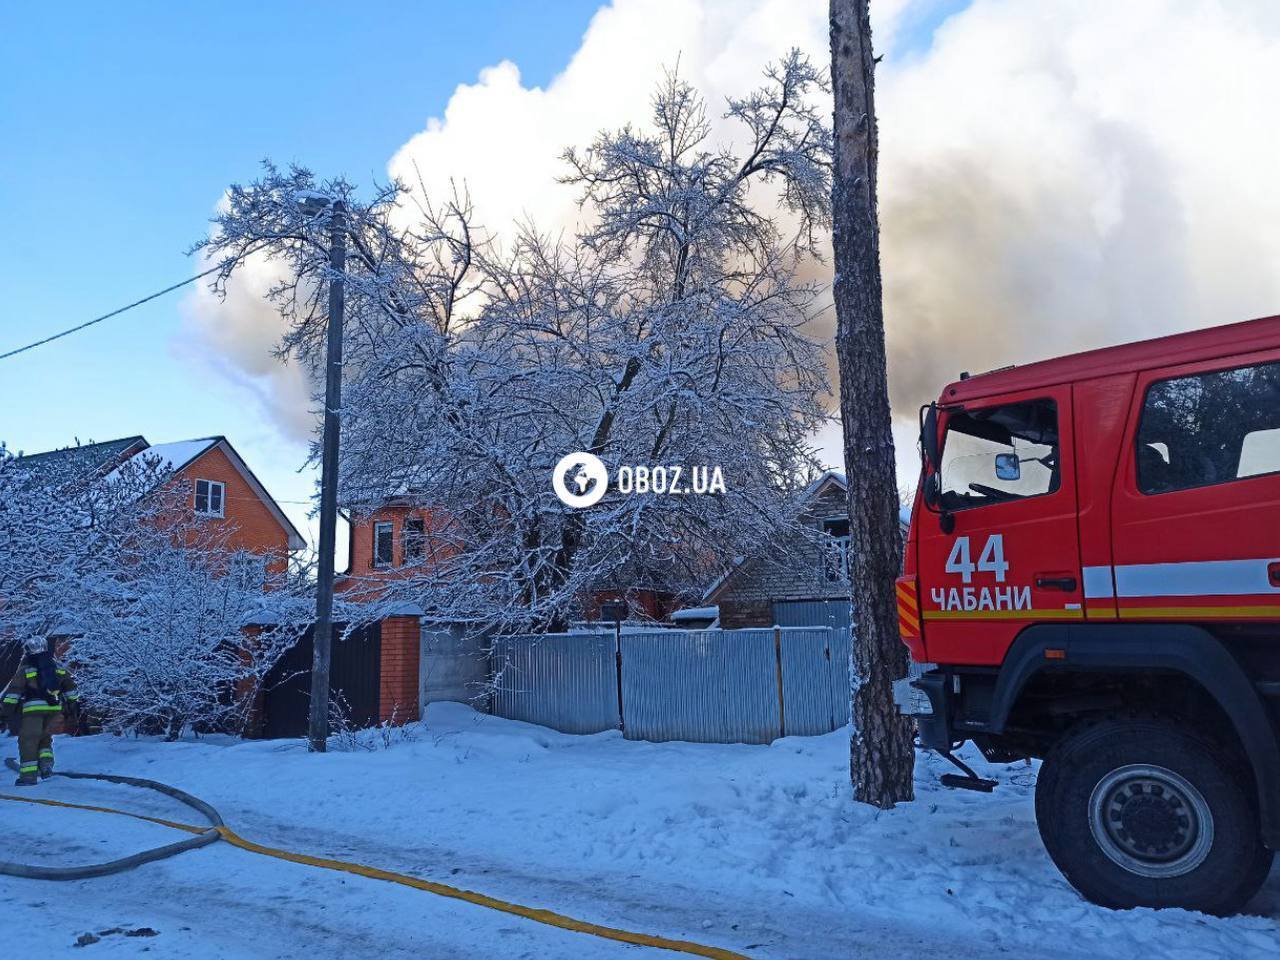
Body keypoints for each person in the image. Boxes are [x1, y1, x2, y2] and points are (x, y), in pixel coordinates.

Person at [2, 637, 79, 786]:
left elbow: (13, 693)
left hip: (33, 710)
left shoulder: (26, 668)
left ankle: (28, 777)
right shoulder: (56, 666)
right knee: (44, 738)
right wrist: (72, 704)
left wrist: (5, 713)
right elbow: (70, 688)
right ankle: (46, 766)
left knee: (28, 740)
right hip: (54, 709)